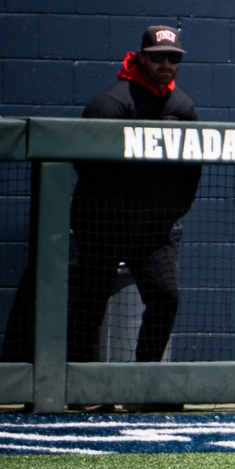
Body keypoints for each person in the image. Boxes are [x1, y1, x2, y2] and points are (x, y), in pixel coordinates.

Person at [71, 26, 203, 369]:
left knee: (167, 296)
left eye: (173, 58)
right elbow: (86, 165)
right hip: (101, 226)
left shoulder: (183, 108)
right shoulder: (111, 103)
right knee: (90, 303)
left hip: (151, 232)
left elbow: (192, 172)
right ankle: (86, 384)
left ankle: (143, 381)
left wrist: (166, 214)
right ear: (141, 57)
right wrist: (114, 210)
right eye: (158, 56)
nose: (165, 64)